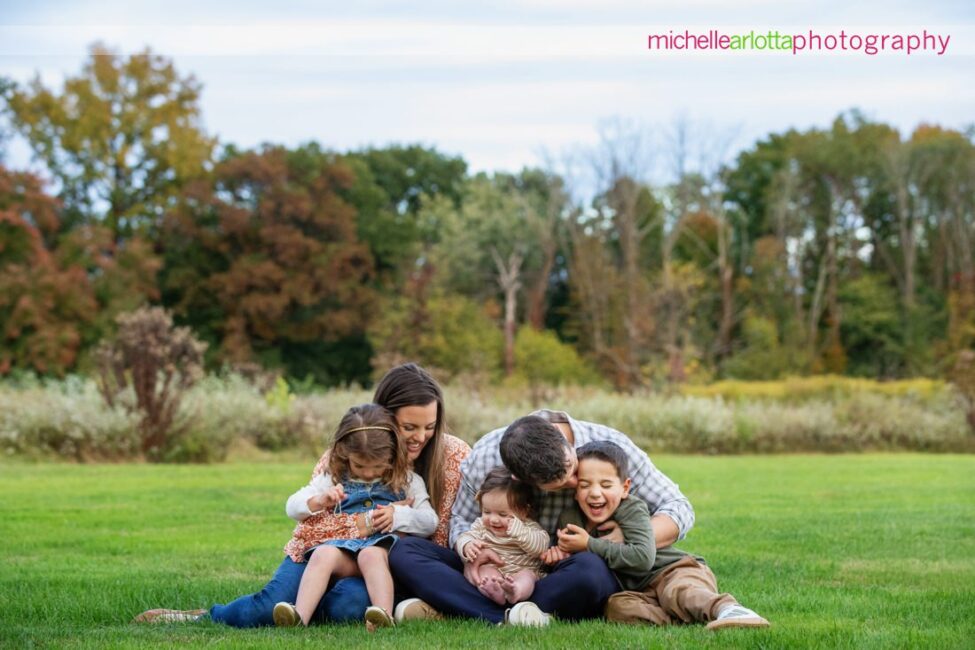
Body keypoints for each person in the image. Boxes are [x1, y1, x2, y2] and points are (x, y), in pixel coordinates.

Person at [133, 362, 470, 627]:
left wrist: (400, 521)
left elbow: (440, 535)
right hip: (324, 554)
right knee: (270, 606)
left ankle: (317, 607)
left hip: (389, 564)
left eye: (429, 427)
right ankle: (202, 617)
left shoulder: (453, 457)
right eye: (408, 427)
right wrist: (364, 524)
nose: (420, 437)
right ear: (380, 420)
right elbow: (311, 528)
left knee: (347, 605)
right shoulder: (345, 457)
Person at [389, 409, 694, 626]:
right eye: (562, 484)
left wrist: (617, 541)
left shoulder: (610, 448)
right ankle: (514, 616)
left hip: (556, 573)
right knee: (404, 552)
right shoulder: (485, 459)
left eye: (572, 468)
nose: (576, 484)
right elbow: (461, 522)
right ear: (519, 478)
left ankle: (462, 610)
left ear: (563, 441)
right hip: (494, 568)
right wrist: (471, 556)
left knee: (590, 570)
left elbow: (679, 508)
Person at [552, 440, 770, 631]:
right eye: (585, 485)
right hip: (640, 591)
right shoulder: (570, 517)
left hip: (673, 571)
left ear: (625, 487)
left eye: (606, 485)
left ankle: (729, 609)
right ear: (574, 488)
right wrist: (556, 554)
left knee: (679, 593)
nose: (595, 493)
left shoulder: (631, 509)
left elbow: (642, 558)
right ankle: (685, 619)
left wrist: (590, 544)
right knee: (617, 608)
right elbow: (569, 561)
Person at [271, 403, 437, 629]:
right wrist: (320, 500)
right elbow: (292, 507)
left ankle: (382, 618)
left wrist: (398, 515)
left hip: (383, 551)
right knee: (322, 554)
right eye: (359, 465)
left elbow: (430, 522)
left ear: (393, 455)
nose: (368, 474)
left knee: (370, 555)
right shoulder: (334, 477)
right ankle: (300, 617)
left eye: (377, 467)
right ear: (344, 454)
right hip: (346, 552)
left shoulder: (407, 480)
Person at [455, 467, 548, 606]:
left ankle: (515, 592)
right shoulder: (481, 526)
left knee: (528, 577)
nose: (493, 520)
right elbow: (466, 535)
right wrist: (467, 545)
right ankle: (495, 591)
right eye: (487, 511)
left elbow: (540, 548)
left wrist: (520, 533)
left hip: (521, 570)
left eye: (502, 514)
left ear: (523, 511)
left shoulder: (529, 528)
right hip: (493, 568)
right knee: (485, 572)